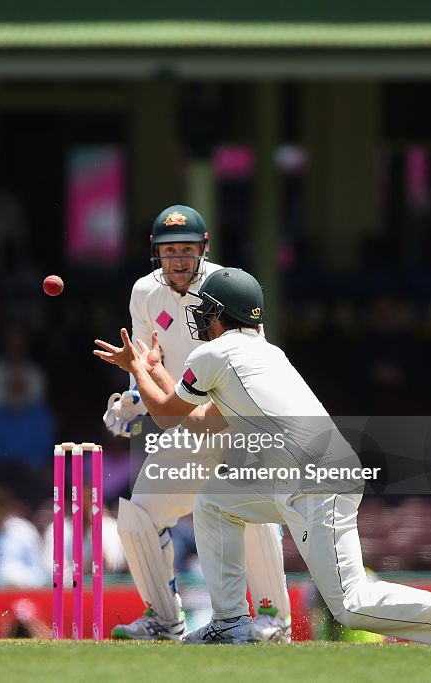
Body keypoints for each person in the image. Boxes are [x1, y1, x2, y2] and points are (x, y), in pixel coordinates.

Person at [94, 267, 431, 647]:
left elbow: (168, 417)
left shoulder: (215, 355)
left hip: (317, 482)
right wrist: (154, 372)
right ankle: (229, 622)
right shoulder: (262, 354)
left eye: (208, 310)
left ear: (224, 313)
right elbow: (201, 421)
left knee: (350, 604)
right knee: (215, 501)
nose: (202, 317)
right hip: (301, 477)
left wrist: (138, 368)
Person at [100, 205, 291, 642]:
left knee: (250, 507)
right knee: (139, 515)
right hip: (189, 422)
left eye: (187, 250)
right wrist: (134, 396)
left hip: (234, 420)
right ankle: (163, 620)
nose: (179, 260)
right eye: (169, 251)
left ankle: (272, 618)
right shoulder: (144, 293)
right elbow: (145, 357)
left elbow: (251, 364)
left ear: (203, 250)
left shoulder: (229, 287)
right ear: (156, 254)